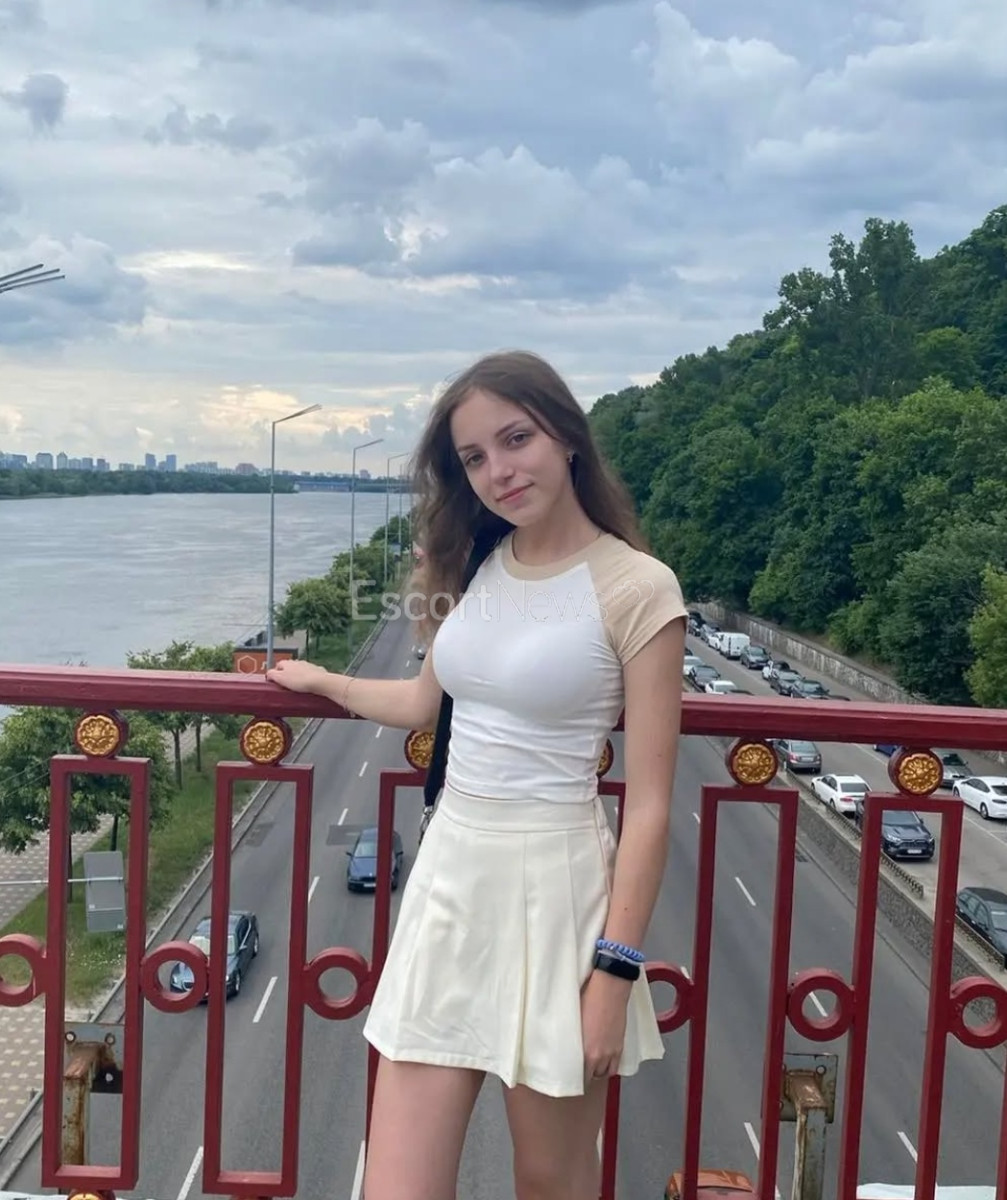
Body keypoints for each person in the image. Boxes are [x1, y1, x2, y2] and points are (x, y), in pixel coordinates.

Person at [266, 350, 686, 1200]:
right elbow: (426, 701)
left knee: (550, 1182)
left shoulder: (637, 588)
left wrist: (612, 976)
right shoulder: (483, 563)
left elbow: (648, 808)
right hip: (449, 881)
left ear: (565, 436)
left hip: (557, 896)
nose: (498, 470)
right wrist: (324, 683)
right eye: (473, 457)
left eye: (515, 439)